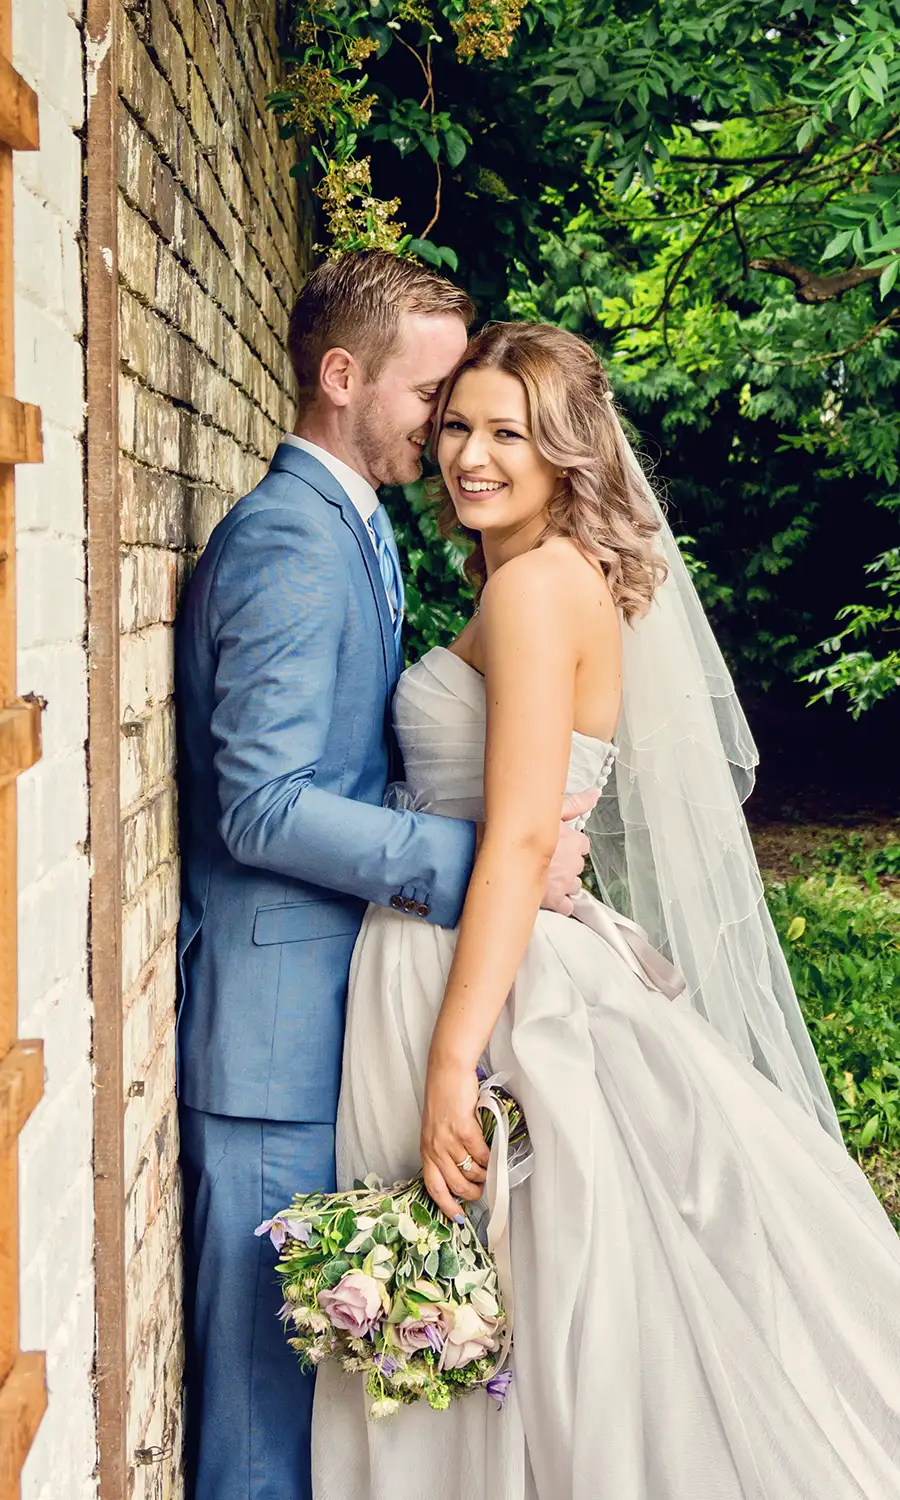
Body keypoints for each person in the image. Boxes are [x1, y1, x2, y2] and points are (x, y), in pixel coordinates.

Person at [312, 321, 900, 1500]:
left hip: (493, 983)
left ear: (568, 450)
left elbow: (525, 835)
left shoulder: (536, 588)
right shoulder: (550, 573)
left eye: (508, 434)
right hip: (511, 953)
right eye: (460, 427)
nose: (471, 456)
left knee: (552, 1308)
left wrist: (451, 1060)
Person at [174, 256, 595, 1500]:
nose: (447, 425)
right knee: (262, 1430)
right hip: (273, 1047)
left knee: (322, 1414)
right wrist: (486, 861)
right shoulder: (291, 542)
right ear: (342, 377)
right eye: (432, 396)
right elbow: (262, 804)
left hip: (331, 1030)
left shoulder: (357, 526)